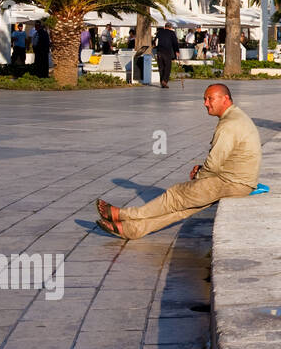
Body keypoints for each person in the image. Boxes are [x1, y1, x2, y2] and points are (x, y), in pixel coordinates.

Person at [95, 84, 261, 240]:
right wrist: (202, 170)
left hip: (230, 182)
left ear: (225, 99)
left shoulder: (229, 124)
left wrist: (199, 175)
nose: (205, 103)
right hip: (242, 183)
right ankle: (132, 230)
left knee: (175, 196)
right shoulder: (236, 116)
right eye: (205, 99)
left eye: (210, 99)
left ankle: (123, 215)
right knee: (183, 210)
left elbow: (215, 163)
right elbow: (222, 159)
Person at [155, 21, 180, 88]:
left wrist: (156, 49)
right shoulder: (172, 33)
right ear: (170, 27)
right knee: (167, 67)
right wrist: (177, 51)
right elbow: (175, 43)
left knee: (161, 67)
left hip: (159, 52)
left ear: (165, 27)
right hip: (167, 52)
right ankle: (164, 81)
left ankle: (162, 81)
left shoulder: (159, 32)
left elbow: (155, 41)